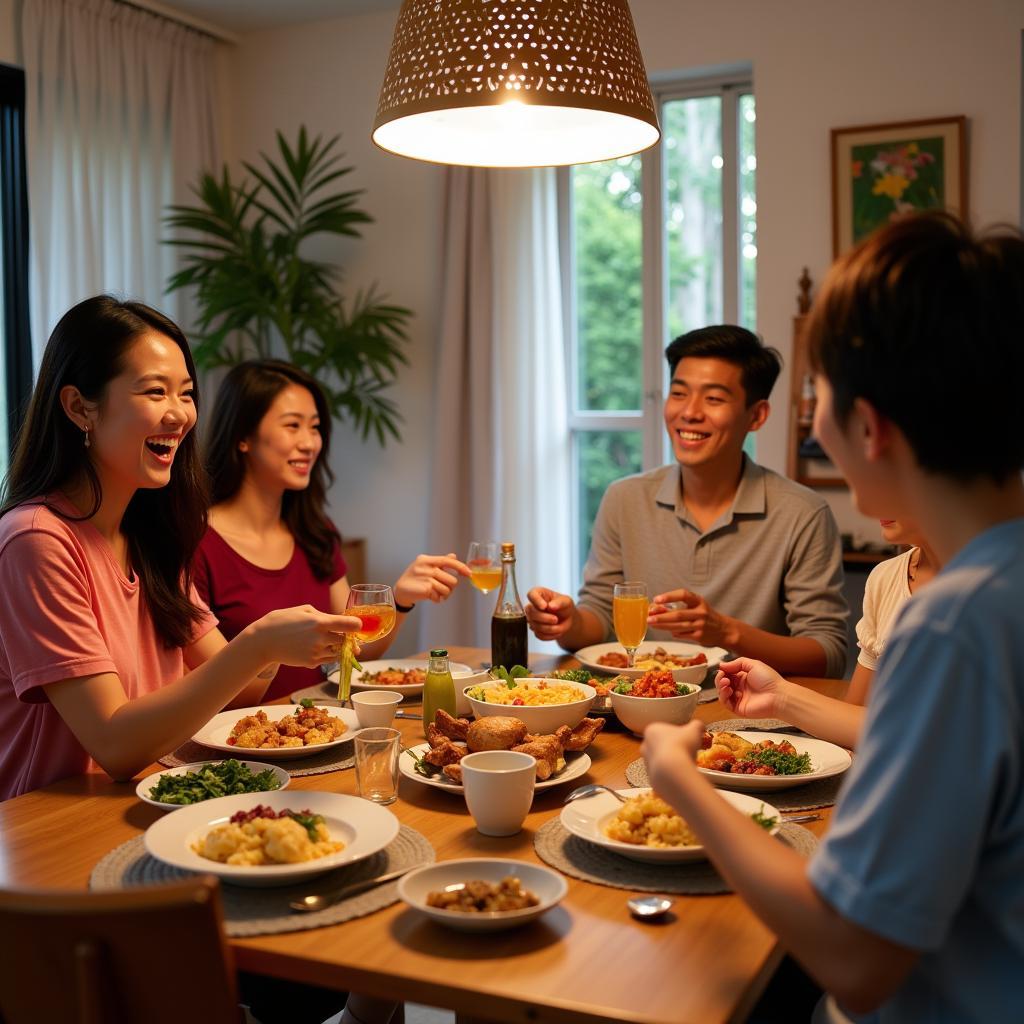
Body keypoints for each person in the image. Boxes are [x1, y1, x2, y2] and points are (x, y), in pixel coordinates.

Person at [641, 212, 1024, 1021]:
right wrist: (783, 699)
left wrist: (677, 778)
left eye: (818, 395)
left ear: (870, 427)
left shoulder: (957, 624)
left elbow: (852, 955)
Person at [0, 297, 362, 801]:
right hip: (54, 828)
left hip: (161, 797)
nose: (180, 415)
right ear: (80, 406)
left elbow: (244, 688)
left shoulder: (150, 536)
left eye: (187, 394)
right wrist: (259, 643)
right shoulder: (37, 540)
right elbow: (115, 744)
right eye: (154, 391)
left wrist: (281, 643)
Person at [526, 325, 848, 677]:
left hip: (751, 720)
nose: (690, 412)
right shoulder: (625, 498)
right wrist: (567, 622)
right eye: (678, 393)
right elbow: (601, 620)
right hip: (639, 705)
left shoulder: (803, 513)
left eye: (713, 399)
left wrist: (727, 632)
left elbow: (827, 654)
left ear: (757, 416)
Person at [195, 359, 469, 701]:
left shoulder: (313, 531)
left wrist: (400, 601)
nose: (310, 442)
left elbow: (355, 652)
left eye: (315, 427)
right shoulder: (199, 544)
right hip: (241, 740)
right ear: (242, 437)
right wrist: (265, 647)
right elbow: (219, 692)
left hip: (319, 728)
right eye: (292, 425)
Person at [719, 517, 940, 751]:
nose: (868, 509)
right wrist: (778, 696)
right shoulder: (887, 577)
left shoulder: (978, 589)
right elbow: (856, 722)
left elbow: (935, 741)